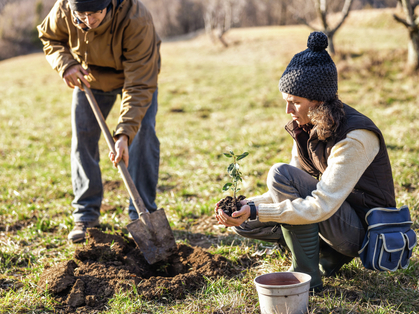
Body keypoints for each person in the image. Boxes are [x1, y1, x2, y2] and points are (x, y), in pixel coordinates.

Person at [215, 31, 396, 291]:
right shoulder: (308, 126)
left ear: (318, 101)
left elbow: (321, 204)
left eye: (294, 102)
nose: (287, 111)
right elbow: (286, 191)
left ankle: (306, 274)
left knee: (280, 173)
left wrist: (258, 210)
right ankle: (325, 255)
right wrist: (244, 206)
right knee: (245, 222)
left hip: (362, 233)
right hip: (333, 217)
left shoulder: (355, 136)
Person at [37, 0, 161, 243]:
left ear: (109, 5)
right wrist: (66, 64)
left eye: (94, 14)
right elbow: (50, 37)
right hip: (89, 78)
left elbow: (139, 84)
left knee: (143, 135)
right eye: (81, 15)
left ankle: (142, 215)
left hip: (135, 79)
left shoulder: (136, 19)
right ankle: (85, 215)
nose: (88, 21)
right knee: (82, 138)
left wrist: (124, 133)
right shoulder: (64, 8)